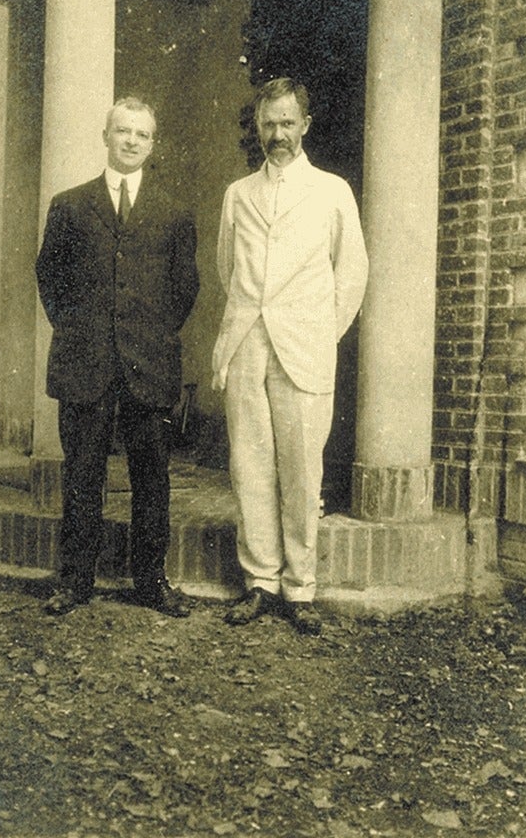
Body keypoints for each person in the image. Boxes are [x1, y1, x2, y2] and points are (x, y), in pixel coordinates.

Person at [212, 77, 368, 636]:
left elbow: (351, 274)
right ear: (258, 128)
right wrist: (249, 322)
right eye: (268, 124)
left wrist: (319, 332)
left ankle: (300, 588)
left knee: (302, 470)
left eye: (287, 122)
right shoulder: (238, 194)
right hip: (247, 342)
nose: (277, 134)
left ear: (306, 124)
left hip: (304, 347)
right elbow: (229, 270)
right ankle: (261, 581)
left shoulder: (332, 191)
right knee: (249, 467)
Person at [36, 97, 199, 617]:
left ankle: (150, 582)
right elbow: (50, 279)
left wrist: (147, 335)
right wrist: (81, 329)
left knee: (152, 476)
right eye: (122, 131)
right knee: (82, 472)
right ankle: (75, 581)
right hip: (86, 362)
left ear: (153, 144)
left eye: (142, 135)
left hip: (148, 365)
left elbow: (183, 289)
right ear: (105, 135)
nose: (131, 141)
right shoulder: (69, 204)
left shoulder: (174, 211)